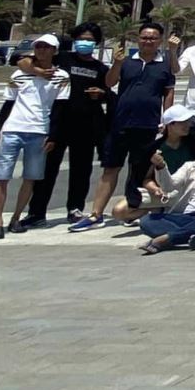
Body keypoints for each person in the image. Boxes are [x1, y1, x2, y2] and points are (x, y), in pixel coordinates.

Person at [71, 21, 178, 232]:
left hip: (148, 126)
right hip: (121, 123)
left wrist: (165, 120)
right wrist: (117, 64)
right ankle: (96, 214)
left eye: (153, 38)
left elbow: (169, 92)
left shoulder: (164, 65)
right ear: (138, 39)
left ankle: (133, 210)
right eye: (144, 37)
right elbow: (109, 83)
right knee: (111, 168)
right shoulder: (127, 62)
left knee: (139, 172)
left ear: (160, 41)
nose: (148, 41)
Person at [25, 24, 111, 227]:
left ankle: (74, 209)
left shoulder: (100, 68)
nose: (85, 42)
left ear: (95, 43)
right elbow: (21, 61)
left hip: (87, 125)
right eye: (81, 38)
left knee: (81, 170)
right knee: (47, 169)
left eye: (89, 39)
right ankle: (37, 212)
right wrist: (37, 70)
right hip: (58, 124)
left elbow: (109, 92)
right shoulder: (62, 58)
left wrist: (101, 94)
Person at [0, 37, 69, 239]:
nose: (41, 50)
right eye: (38, 47)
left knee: (30, 178)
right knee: (1, 176)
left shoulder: (61, 76)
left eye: (46, 47)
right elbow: (8, 102)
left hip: (39, 131)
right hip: (13, 128)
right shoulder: (19, 74)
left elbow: (59, 108)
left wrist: (53, 136)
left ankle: (16, 218)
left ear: (55, 51)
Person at [137, 128, 195, 253]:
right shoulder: (190, 166)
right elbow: (169, 187)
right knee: (147, 221)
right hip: (187, 216)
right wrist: (161, 166)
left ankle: (168, 239)